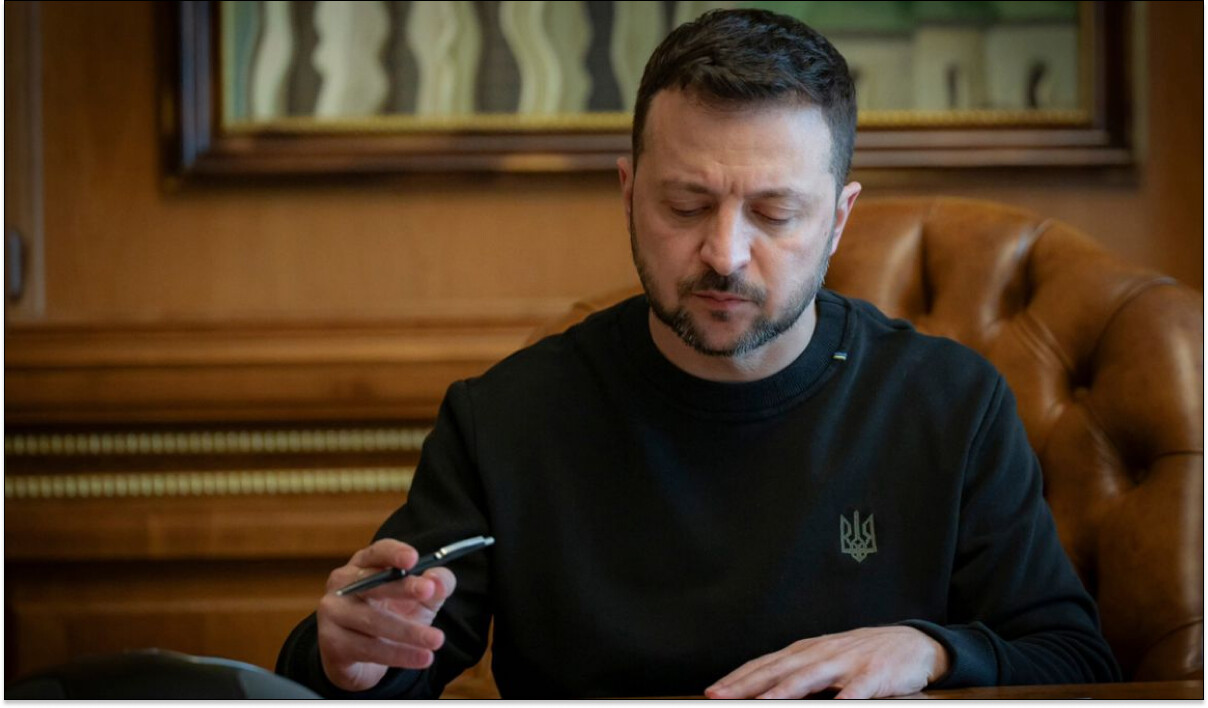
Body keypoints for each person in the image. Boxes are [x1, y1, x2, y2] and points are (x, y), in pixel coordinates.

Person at [276, 8, 1120, 698]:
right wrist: (345, 660)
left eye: (775, 214)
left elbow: (1077, 661)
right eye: (685, 205)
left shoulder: (949, 403)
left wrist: (930, 649)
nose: (725, 253)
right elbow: (385, 661)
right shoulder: (505, 417)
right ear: (628, 193)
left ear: (838, 219)